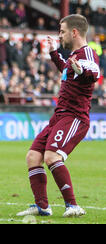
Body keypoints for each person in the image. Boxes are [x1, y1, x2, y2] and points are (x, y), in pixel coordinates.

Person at [17, 14, 100, 218]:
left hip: (74, 116)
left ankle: (73, 206)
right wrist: (54, 52)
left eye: (62, 31)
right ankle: (42, 206)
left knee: (52, 156)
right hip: (59, 116)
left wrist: (81, 70)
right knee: (33, 156)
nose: (60, 35)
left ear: (74, 32)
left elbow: (94, 71)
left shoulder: (86, 53)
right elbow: (66, 70)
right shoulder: (74, 57)